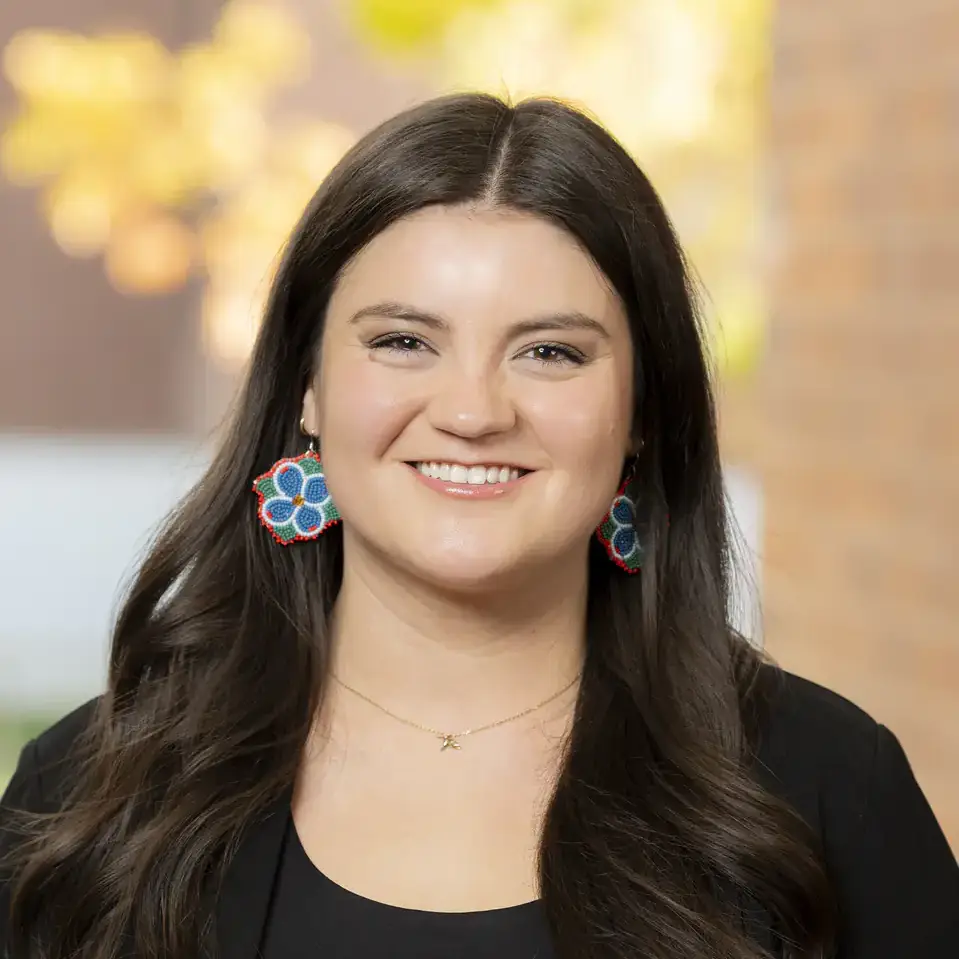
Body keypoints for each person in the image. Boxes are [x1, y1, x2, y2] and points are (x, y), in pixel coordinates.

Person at [1, 92, 957, 959]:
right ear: (307, 385)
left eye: (549, 351)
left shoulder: (825, 787)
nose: (471, 410)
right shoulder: (90, 797)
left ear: (641, 411)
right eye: (403, 341)